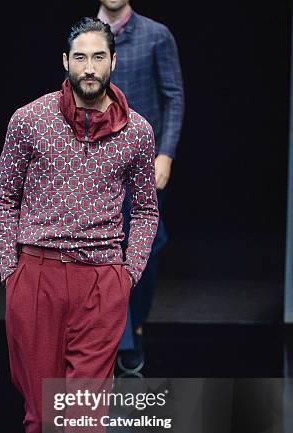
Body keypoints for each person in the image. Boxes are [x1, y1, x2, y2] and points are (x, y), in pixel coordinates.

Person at [0, 17, 159, 433]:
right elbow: (3, 198)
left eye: (99, 57)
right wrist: (11, 273)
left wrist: (126, 273)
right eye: (79, 58)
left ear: (113, 62)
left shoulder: (136, 131)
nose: (89, 68)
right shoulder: (28, 121)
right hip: (36, 276)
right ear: (66, 63)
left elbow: (147, 211)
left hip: (99, 283)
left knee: (83, 410)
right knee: (43, 411)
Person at [98, 0, 185, 371]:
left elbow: (174, 96)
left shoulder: (155, 34)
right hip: (93, 161)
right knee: (101, 248)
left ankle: (133, 323)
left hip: (141, 164)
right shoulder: (85, 35)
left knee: (145, 246)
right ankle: (121, 340)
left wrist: (165, 154)